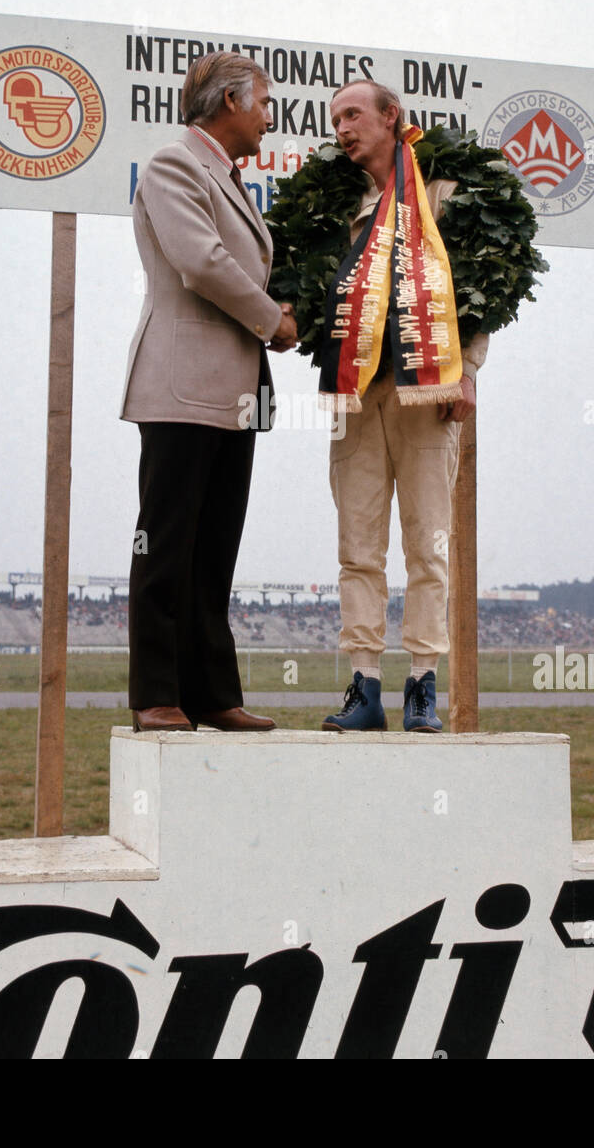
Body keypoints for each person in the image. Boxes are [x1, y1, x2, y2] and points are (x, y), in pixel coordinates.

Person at [120, 52, 297, 732]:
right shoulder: (174, 166)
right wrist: (271, 317)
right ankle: (157, 694)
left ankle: (211, 693)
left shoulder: (225, 177)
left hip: (235, 391)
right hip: (181, 387)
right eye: (262, 102)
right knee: (165, 544)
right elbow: (202, 263)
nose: (268, 116)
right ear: (229, 101)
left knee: (214, 548)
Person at [320, 80, 489, 734]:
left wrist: (467, 368)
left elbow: (478, 282)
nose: (342, 127)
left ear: (393, 117)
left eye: (353, 114)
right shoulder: (335, 207)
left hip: (428, 391)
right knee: (357, 546)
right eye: (335, 118)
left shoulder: (442, 191)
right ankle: (364, 686)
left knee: (429, 544)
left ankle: (423, 684)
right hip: (357, 397)